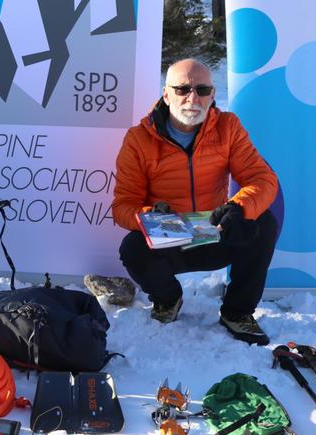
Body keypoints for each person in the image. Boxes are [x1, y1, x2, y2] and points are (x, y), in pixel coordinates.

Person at [113, 58, 278, 345]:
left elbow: (262, 179)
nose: (193, 98)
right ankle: (168, 298)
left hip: (213, 231)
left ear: (213, 95)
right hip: (170, 238)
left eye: (202, 90)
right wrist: (150, 214)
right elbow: (123, 206)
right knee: (132, 248)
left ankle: (237, 313)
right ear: (166, 94)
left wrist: (237, 207)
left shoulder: (228, 127)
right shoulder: (139, 139)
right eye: (182, 89)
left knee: (263, 222)